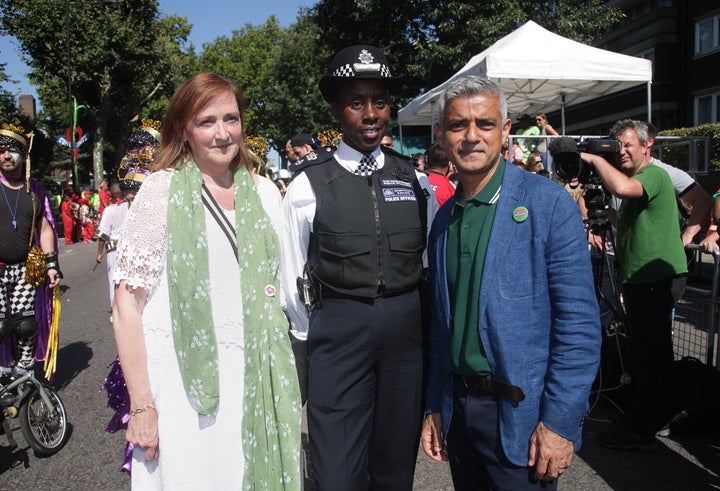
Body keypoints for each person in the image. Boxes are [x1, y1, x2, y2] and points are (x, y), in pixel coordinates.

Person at [112, 72, 301, 489]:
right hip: (181, 384)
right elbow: (126, 306)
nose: (222, 133)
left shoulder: (267, 193)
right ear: (184, 129)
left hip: (254, 375)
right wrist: (142, 407)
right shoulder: (160, 191)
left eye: (230, 119)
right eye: (207, 121)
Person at [421, 76, 600, 490]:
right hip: (461, 416)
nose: (470, 136)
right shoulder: (444, 220)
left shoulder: (547, 204)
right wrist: (435, 404)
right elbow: (440, 328)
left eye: (484, 124)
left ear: (505, 132)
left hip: (525, 421)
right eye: (457, 125)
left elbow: (579, 328)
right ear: (441, 135)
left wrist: (559, 422)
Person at [280, 45, 437, 491]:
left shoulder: (414, 179)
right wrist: (319, 336)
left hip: (405, 336)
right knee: (338, 470)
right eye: (356, 103)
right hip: (338, 332)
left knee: (394, 465)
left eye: (380, 102)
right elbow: (292, 279)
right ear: (336, 110)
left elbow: (424, 263)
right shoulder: (309, 184)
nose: (370, 114)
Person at [581, 119, 688, 451]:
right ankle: (647, 418)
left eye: (627, 145)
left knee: (649, 355)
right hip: (641, 278)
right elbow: (624, 216)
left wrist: (595, 159)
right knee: (646, 354)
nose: (621, 151)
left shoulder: (654, 174)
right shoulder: (637, 182)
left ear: (647, 145)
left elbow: (624, 190)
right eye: (617, 145)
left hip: (656, 279)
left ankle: (642, 427)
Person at [0, 124, 62, 370]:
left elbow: (44, 228)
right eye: (1, 150)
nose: (5, 155)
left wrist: (51, 264)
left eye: (11, 150)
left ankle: (24, 370)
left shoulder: (34, 189)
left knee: (24, 323)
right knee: (1, 325)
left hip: (26, 268)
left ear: (24, 156)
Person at [96, 121, 159, 309]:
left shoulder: (164, 194)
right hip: (121, 254)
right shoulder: (114, 210)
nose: (133, 195)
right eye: (130, 190)